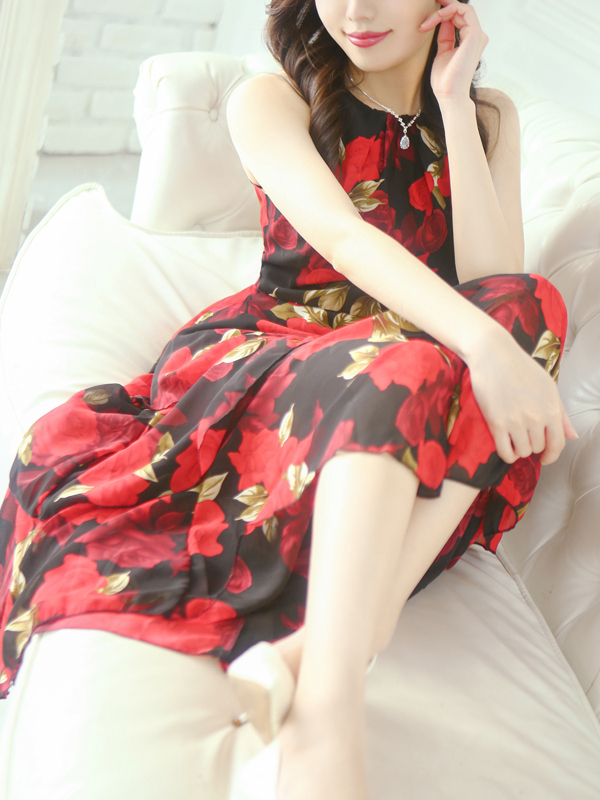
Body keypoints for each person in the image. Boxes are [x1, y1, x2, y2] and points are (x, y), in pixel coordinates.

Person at [0, 0, 576, 798]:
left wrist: (451, 102)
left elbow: (492, 284)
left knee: (534, 304)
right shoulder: (273, 98)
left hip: (416, 380)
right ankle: (330, 701)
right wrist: (481, 346)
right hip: (279, 360)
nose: (355, 10)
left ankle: (327, 647)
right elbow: (343, 239)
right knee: (426, 359)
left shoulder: (488, 118)